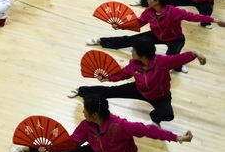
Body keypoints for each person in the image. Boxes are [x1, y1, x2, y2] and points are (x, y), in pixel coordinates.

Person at [11, 95, 192, 152]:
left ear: (95, 114)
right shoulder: (85, 125)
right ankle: (31, 150)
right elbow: (73, 143)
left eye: (85, 111)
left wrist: (178, 137)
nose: (83, 113)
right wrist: (51, 149)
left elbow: (149, 130)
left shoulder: (121, 126)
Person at [68, 39, 206, 124]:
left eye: (134, 50)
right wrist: (109, 78)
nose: (132, 52)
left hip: (159, 97)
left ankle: (154, 117)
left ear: (143, 53)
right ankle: (81, 90)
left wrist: (195, 54)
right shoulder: (134, 64)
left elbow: (180, 58)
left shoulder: (163, 62)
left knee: (168, 115)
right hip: (138, 89)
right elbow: (124, 74)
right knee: (109, 92)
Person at [88, 0, 225, 62]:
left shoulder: (174, 12)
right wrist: (122, 26)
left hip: (174, 39)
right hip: (155, 35)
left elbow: (194, 16)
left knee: (171, 57)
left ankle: (178, 66)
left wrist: (214, 20)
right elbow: (139, 23)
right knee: (130, 40)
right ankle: (101, 41)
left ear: (157, 1)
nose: (147, 0)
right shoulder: (149, 11)